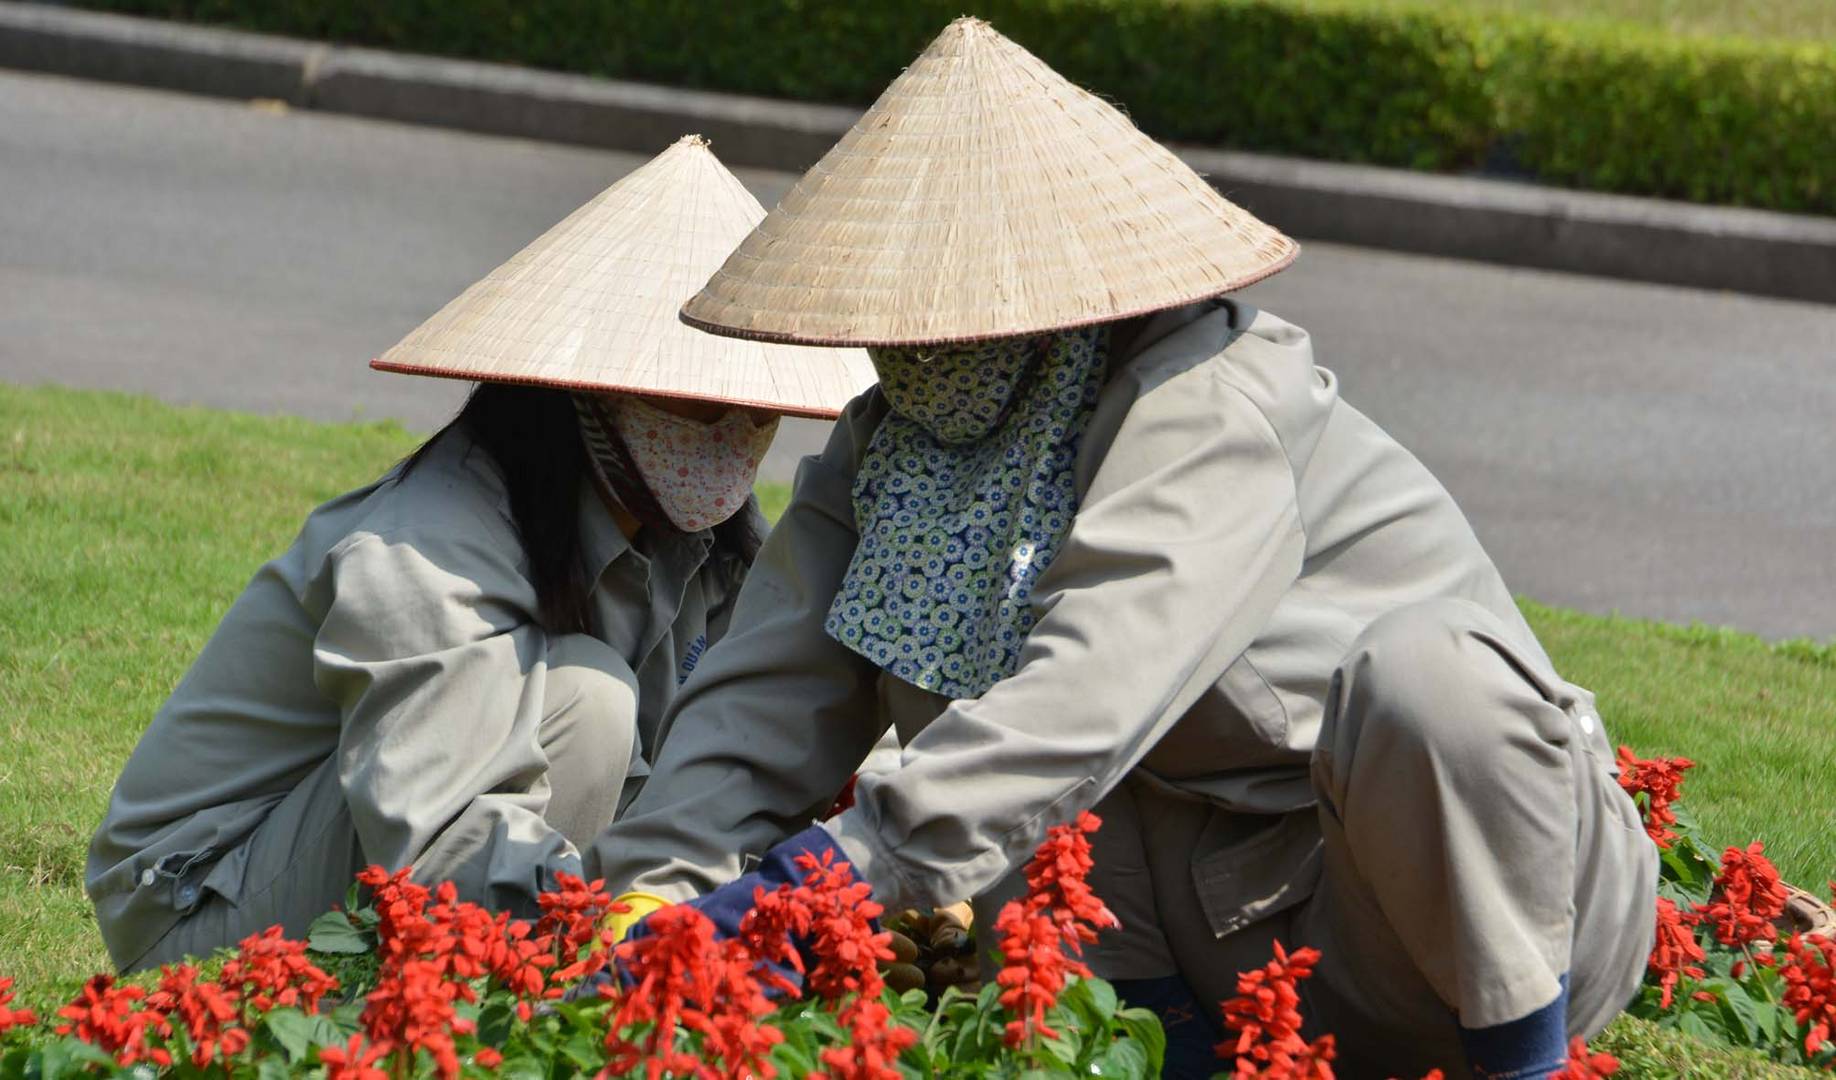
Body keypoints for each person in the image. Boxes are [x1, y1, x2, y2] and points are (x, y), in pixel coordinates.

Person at [591, 23, 1658, 1080]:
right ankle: (1148, 1057)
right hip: (1228, 947)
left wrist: (823, 881)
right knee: (1050, 794)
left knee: (1429, 681)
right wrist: (655, 890)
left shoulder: (1214, 408)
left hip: (1462, 925)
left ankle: (1525, 1064)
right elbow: (773, 677)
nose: (913, 335)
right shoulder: (899, 441)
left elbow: (1084, 698)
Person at [85, 136, 873, 973]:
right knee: (591, 703)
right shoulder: (427, 550)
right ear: (602, 386)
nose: (741, 426)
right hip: (197, 904)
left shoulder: (700, 545)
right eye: (701, 392)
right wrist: (624, 934)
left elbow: (727, 746)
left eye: (756, 400)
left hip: (394, 855)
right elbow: (439, 842)